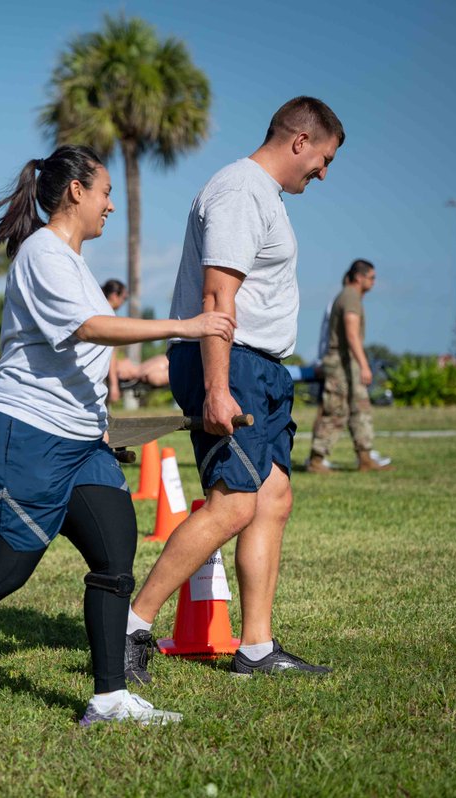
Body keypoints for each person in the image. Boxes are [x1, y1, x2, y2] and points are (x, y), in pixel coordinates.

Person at [0, 145, 234, 726]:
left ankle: (108, 697)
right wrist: (186, 327)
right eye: (106, 193)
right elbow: (89, 328)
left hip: (82, 443)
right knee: (6, 568)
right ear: (77, 191)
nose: (111, 205)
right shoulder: (42, 253)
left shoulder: (74, 262)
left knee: (115, 554)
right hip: (25, 435)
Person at [124, 97, 345, 683]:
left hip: (261, 367)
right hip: (230, 363)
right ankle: (130, 625)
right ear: (299, 140)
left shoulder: (262, 196)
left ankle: (255, 648)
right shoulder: (241, 191)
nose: (322, 173)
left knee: (272, 499)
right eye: (322, 159)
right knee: (234, 503)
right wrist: (218, 389)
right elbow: (217, 300)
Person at [306, 260, 392, 472]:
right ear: (359, 277)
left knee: (360, 409)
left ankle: (365, 457)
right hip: (341, 364)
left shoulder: (350, 296)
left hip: (347, 363)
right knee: (335, 410)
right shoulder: (351, 297)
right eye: (371, 277)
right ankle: (317, 460)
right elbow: (352, 335)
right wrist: (364, 365)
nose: (374, 282)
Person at [101, 280, 170, 401]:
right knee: (160, 368)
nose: (123, 302)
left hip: (128, 369)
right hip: (119, 371)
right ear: (113, 296)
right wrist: (114, 386)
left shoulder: (101, 314)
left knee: (164, 362)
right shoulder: (106, 317)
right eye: (124, 298)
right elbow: (110, 353)